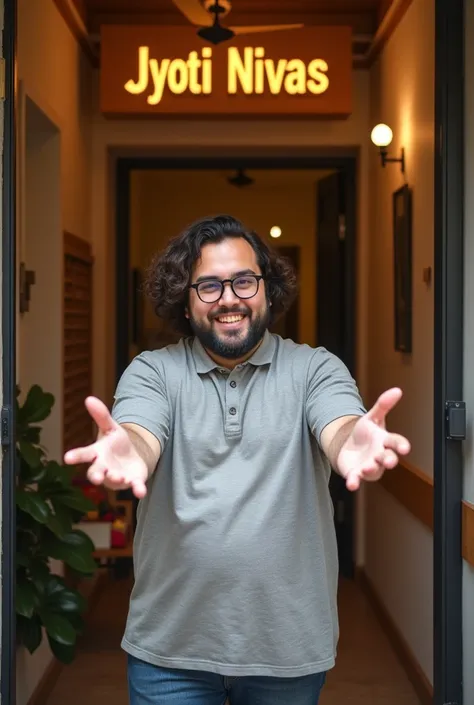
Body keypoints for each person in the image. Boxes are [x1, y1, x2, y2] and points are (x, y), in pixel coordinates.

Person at [65, 215, 411, 705]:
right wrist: (132, 454)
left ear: (267, 291)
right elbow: (141, 434)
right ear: (184, 302)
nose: (229, 298)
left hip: (287, 652)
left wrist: (352, 442)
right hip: (170, 652)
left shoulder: (315, 368)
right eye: (208, 285)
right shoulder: (152, 373)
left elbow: (339, 426)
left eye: (243, 281)